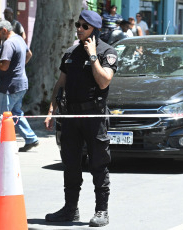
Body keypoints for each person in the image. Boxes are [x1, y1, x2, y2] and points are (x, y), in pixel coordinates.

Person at [44, 10, 118, 227]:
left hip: (94, 116)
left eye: (84, 26)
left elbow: (104, 82)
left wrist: (93, 56)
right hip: (70, 116)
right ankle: (70, 209)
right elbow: (60, 84)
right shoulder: (70, 52)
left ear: (95, 29)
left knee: (98, 163)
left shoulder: (107, 52)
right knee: (71, 164)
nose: (79, 28)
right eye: (78, 24)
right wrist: (51, 111)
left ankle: (101, 211)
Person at [0, 20, 39, 152]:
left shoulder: (8, 43)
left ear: (4, 30)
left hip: (9, 86)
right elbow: (29, 54)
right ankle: (31, 138)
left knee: (1, 116)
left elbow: (4, 66)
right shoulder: (19, 38)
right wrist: (20, 67)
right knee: (16, 113)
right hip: (20, 83)